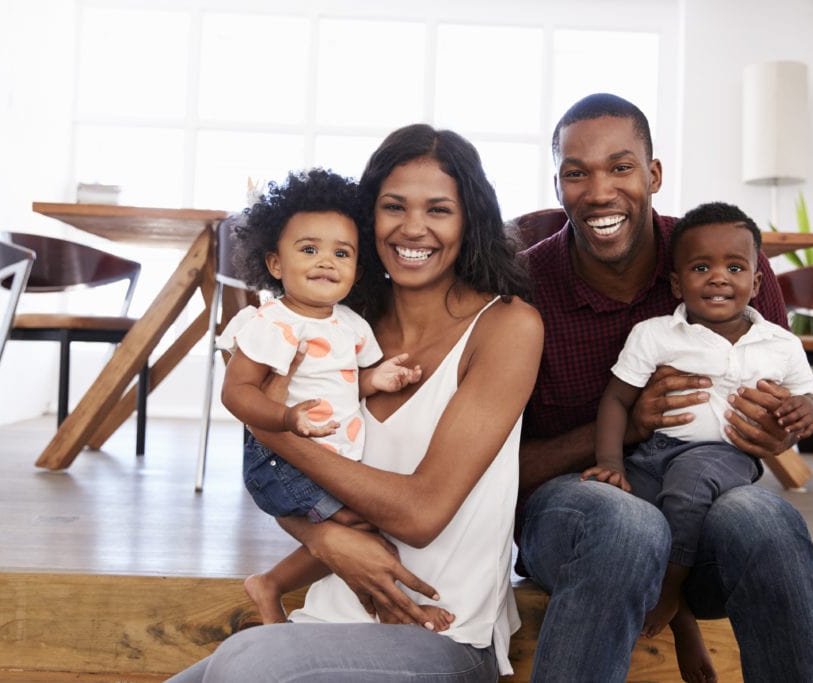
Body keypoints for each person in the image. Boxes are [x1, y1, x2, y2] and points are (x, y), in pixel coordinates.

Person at [165, 123, 543, 682]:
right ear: (368, 217)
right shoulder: (336, 325)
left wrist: (276, 431)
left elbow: (420, 514)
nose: (413, 228)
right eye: (394, 206)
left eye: (439, 209)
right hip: (326, 618)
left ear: (470, 221)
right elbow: (275, 473)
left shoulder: (507, 327)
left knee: (246, 666)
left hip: (442, 632)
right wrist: (322, 536)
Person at [516, 92, 813, 682]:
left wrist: (770, 427)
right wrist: (628, 425)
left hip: (702, 514)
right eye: (576, 173)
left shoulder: (726, 260)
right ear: (557, 184)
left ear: (654, 174)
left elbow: (769, 417)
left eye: (621, 167)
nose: (599, 191)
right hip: (567, 515)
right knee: (627, 524)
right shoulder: (524, 285)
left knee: (765, 519)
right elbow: (489, 467)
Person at [583, 201, 813, 682]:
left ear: (756, 283)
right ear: (677, 284)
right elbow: (615, 400)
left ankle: (671, 594)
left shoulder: (779, 343)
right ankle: (684, 621)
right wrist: (613, 464)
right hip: (653, 456)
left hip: (725, 457)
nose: (718, 278)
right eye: (700, 267)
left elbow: (808, 397)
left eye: (734, 267)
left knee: (690, 485)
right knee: (632, 516)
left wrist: (804, 413)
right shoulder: (654, 335)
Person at [216, 167, 449, 630]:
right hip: (281, 462)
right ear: (275, 264)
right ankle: (395, 611)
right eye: (309, 250)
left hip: (323, 458)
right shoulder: (271, 323)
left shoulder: (349, 325)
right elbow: (235, 391)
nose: (326, 261)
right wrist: (284, 417)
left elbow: (340, 383)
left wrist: (375, 380)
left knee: (367, 530)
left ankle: (270, 585)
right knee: (367, 529)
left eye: (341, 253)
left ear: (356, 270)